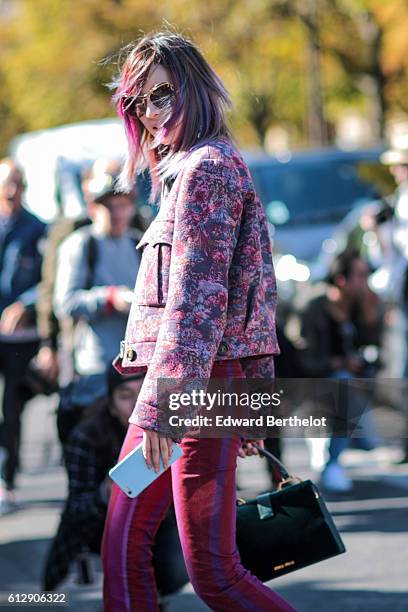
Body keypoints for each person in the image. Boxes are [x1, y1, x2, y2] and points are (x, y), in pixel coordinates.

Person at [101, 31, 296, 612]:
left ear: (194, 89)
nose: (150, 113)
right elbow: (256, 294)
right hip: (207, 388)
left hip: (190, 392)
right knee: (199, 566)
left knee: (159, 556)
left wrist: (163, 408)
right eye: (138, 102)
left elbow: (195, 303)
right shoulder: (201, 167)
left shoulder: (206, 170)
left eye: (161, 95)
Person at [42, 365, 188, 596]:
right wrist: (107, 492)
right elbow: (76, 511)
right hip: (96, 535)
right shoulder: (88, 437)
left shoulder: (170, 429)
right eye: (125, 396)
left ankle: (151, 594)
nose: (136, 406)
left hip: (158, 528)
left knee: (180, 564)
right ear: (110, 404)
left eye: (143, 395)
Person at [53, 161, 142, 443]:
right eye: (109, 206)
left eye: (122, 205)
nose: (117, 214)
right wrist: (108, 298)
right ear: (93, 208)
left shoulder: (139, 244)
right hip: (94, 368)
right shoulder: (80, 245)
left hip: (135, 369)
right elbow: (64, 302)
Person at [300, 249, 384, 492]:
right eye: (359, 275)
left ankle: (341, 442)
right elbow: (305, 360)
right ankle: (332, 463)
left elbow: (373, 351)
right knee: (343, 383)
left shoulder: (359, 306)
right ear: (341, 279)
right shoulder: (313, 308)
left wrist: (371, 315)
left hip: (349, 383)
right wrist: (339, 363)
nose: (364, 281)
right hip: (313, 384)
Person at [0, 159, 47, 515]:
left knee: (11, 406)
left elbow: (47, 280)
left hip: (19, 338)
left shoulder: (37, 229)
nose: (11, 191)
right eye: (6, 184)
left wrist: (24, 304)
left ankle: (7, 478)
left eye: (17, 184)